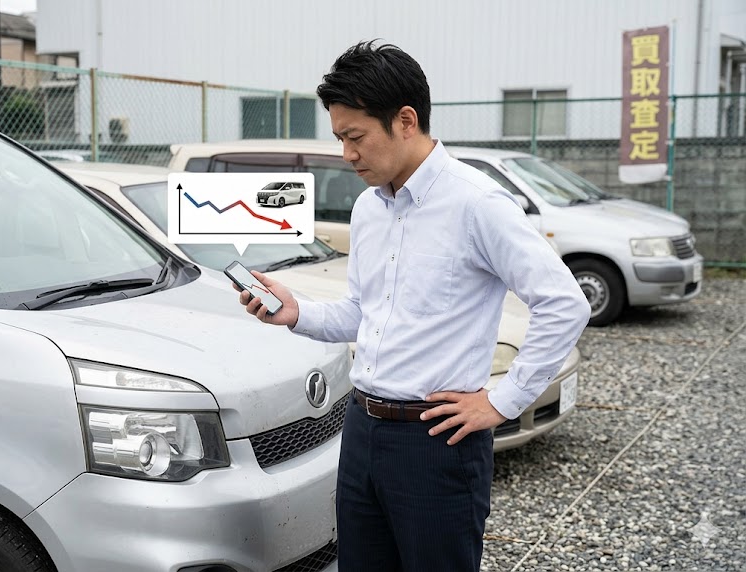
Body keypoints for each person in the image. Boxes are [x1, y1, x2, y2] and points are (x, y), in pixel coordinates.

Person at [234, 41, 591, 572]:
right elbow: (362, 313)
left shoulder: (477, 203)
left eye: (355, 137)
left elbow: (564, 303)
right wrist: (297, 312)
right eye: (339, 138)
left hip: (436, 442)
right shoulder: (368, 208)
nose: (347, 154)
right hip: (361, 428)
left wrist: (502, 401)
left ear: (405, 120)